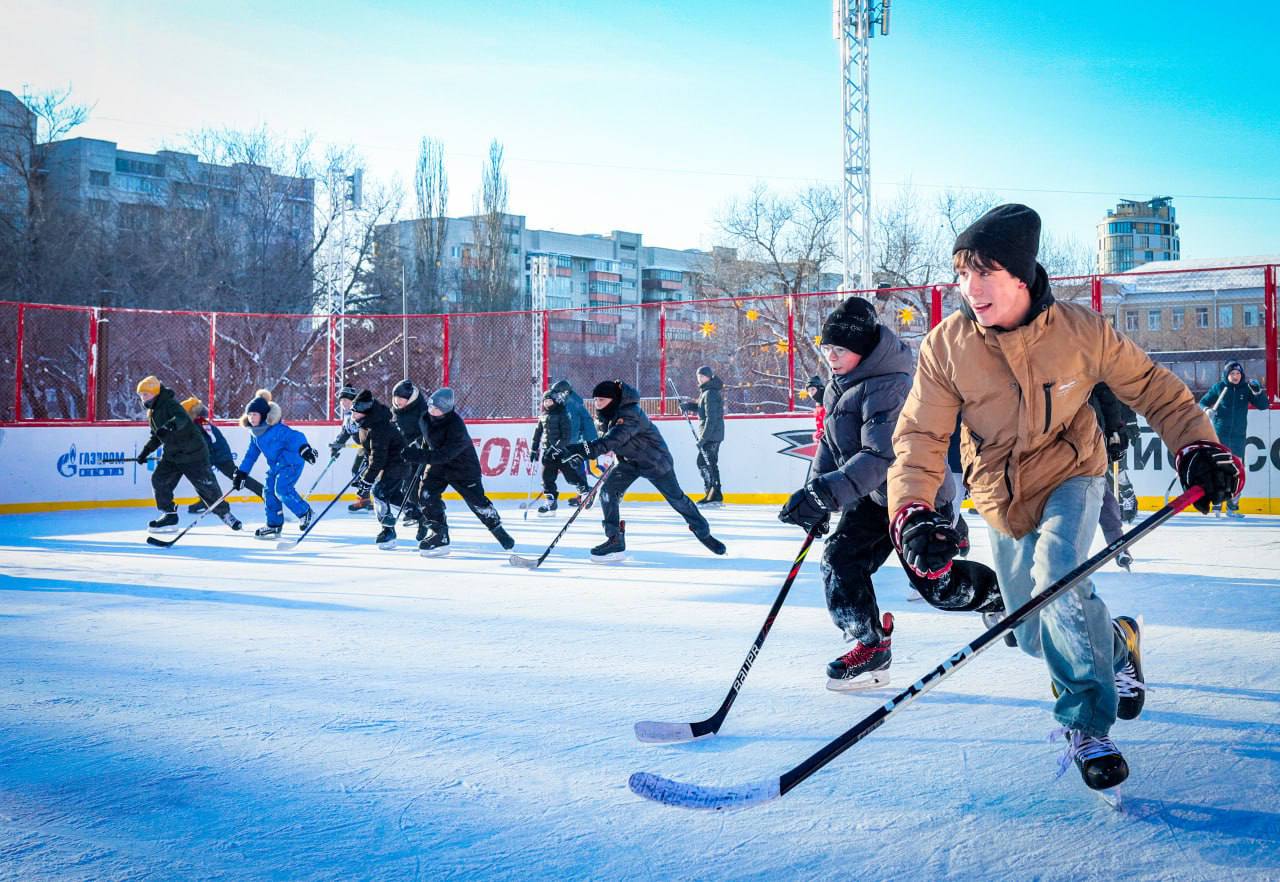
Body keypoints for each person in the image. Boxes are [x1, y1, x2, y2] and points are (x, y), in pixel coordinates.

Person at [887, 203, 1242, 793]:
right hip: (999, 493)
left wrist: (1198, 446)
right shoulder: (946, 348)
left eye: (984, 274)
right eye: (961, 274)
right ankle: (1117, 642)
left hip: (1073, 471)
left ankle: (1086, 725)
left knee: (1059, 577)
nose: (968, 288)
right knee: (1032, 630)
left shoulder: (1082, 332)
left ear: (1021, 277)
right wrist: (914, 509)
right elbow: (921, 436)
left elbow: (1155, 389)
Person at [778, 297, 1002, 690]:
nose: (830, 356)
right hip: (871, 497)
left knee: (938, 588)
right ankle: (871, 645)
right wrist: (815, 492)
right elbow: (831, 446)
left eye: (839, 350)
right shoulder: (840, 385)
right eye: (826, 348)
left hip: (916, 497)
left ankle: (1003, 598)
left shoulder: (892, 387)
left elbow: (881, 456)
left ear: (862, 351)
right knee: (839, 560)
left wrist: (826, 494)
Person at [564, 380, 726, 562]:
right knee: (608, 492)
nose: (597, 404)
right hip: (629, 462)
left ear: (613, 399)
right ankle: (615, 538)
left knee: (677, 499)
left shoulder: (630, 414)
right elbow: (606, 443)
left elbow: (608, 442)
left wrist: (574, 449)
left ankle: (703, 532)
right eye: (595, 400)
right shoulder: (607, 415)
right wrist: (579, 454)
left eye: (602, 400)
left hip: (654, 462)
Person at [403, 388, 515, 555]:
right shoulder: (425, 418)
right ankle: (439, 535)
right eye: (431, 406)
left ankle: (496, 527)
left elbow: (443, 455)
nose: (432, 410)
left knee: (477, 502)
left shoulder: (456, 427)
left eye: (437, 408)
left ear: (446, 410)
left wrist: (417, 455)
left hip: (463, 468)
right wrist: (421, 447)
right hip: (438, 467)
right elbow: (428, 439)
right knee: (426, 495)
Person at [134, 375, 241, 533]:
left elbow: (182, 418)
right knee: (159, 480)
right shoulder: (152, 412)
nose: (143, 398)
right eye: (141, 395)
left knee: (207, 487)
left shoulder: (169, 404)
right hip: (172, 455)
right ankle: (169, 515)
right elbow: (157, 435)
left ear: (155, 392)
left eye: (146, 394)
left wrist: (169, 426)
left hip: (193, 453)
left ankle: (225, 514)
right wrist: (146, 451)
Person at [232, 389, 318, 539]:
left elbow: (297, 437)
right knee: (268, 491)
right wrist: (242, 473)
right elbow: (251, 455)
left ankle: (305, 512)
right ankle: (274, 524)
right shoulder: (255, 434)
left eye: (255, 414)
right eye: (250, 414)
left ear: (264, 415)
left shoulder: (277, 429)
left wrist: (305, 450)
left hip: (292, 462)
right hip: (277, 465)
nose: (252, 418)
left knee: (282, 489)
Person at [1198, 361, 1269, 518]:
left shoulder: (1246, 389)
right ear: (1226, 374)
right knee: (1218, 469)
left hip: (1238, 438)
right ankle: (1216, 503)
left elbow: (1264, 405)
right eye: (1232, 374)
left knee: (1236, 471)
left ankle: (1233, 506)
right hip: (1219, 435)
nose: (1235, 376)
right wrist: (1207, 410)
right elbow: (1202, 402)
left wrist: (1258, 392)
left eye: (1238, 374)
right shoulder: (1219, 388)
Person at [350, 389, 412, 548]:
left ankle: (388, 531)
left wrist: (367, 480)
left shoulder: (379, 427)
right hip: (390, 464)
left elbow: (378, 457)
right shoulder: (366, 424)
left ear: (365, 412)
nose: (353, 415)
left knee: (379, 492)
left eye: (356, 412)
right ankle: (416, 514)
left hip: (398, 463)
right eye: (352, 411)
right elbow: (370, 450)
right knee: (392, 496)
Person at [181, 397, 264, 512]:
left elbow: (209, 441)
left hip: (218, 454)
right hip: (214, 452)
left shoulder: (199, 424)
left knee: (234, 475)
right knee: (202, 476)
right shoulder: (198, 422)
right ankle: (207, 501)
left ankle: (263, 492)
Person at [1088, 383, 1133, 569]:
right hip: (1054, 447)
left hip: (1092, 440)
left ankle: (1118, 544)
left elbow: (1108, 399)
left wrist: (1115, 432)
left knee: (1100, 490)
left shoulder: (1091, 369)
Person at [531, 387, 589, 515]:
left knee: (570, 476)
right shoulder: (543, 415)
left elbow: (566, 436)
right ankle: (551, 503)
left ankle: (584, 489)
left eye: (549, 401)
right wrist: (534, 450)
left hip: (561, 452)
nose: (546, 403)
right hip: (548, 453)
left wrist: (556, 448)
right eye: (545, 401)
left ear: (556, 401)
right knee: (547, 478)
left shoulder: (562, 414)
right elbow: (538, 433)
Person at [680, 365, 726, 506]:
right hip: (713, 434)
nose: (699, 379)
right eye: (698, 376)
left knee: (704, 463)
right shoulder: (707, 392)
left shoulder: (710, 393)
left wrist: (703, 439)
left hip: (711, 436)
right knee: (709, 464)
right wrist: (688, 406)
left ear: (709, 377)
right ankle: (714, 494)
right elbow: (703, 409)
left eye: (702, 376)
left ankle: (712, 495)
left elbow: (711, 418)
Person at [549, 378, 598, 503]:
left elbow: (574, 427)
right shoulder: (570, 402)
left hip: (585, 440)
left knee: (582, 465)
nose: (556, 396)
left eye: (558, 393)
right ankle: (584, 493)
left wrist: (565, 443)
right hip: (582, 439)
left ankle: (590, 491)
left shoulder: (571, 405)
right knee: (576, 465)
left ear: (565, 392)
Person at [391, 379, 429, 525]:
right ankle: (414, 510)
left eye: (401, 398)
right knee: (407, 482)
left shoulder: (421, 410)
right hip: (405, 453)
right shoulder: (395, 411)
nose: (398, 401)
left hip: (421, 452)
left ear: (410, 398)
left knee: (422, 482)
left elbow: (428, 430)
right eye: (396, 398)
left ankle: (429, 509)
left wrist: (420, 441)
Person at [328, 387, 371, 513]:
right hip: (365, 448)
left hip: (373, 448)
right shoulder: (348, 417)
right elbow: (345, 433)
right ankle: (365, 500)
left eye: (347, 400)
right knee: (356, 472)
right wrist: (336, 446)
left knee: (362, 473)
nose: (344, 403)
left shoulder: (361, 414)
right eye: (342, 400)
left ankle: (368, 500)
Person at [804, 375, 826, 443]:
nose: (811, 393)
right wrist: (817, 434)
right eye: (809, 390)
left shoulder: (827, 402)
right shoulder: (818, 404)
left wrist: (823, 435)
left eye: (813, 389)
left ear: (820, 388)